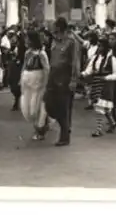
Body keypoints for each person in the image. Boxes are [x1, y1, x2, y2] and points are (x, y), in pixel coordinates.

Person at [44, 17, 80, 147]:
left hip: (64, 79)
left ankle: (65, 136)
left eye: (55, 27)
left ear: (60, 27)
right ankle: (65, 127)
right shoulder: (54, 42)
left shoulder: (71, 42)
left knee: (63, 108)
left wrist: (74, 80)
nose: (53, 29)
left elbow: (75, 62)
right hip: (53, 77)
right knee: (49, 105)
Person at [82, 38, 116, 137]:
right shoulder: (95, 58)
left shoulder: (112, 59)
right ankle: (112, 123)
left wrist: (107, 77)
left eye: (101, 46)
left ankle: (98, 130)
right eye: (98, 46)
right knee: (103, 107)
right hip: (96, 83)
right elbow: (89, 70)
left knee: (100, 107)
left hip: (106, 85)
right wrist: (82, 74)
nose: (99, 48)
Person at [20, 30, 50, 140]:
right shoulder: (27, 53)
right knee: (28, 108)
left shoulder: (42, 54)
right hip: (28, 84)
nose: (26, 41)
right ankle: (38, 127)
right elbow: (24, 66)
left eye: (28, 39)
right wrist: (21, 80)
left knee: (36, 107)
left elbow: (47, 69)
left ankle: (40, 129)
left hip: (38, 85)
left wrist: (46, 84)